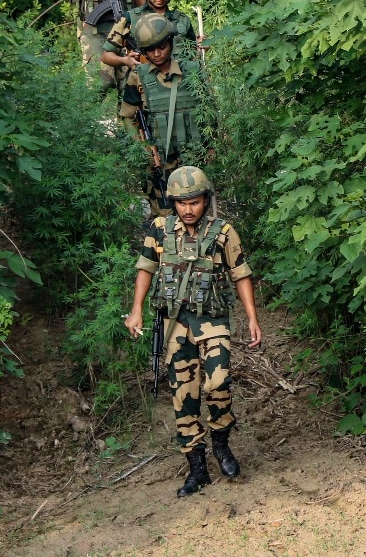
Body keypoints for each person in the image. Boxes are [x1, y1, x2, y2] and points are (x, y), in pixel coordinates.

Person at [124, 166, 263, 498]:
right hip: (175, 323)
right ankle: (197, 468)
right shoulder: (158, 230)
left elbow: (240, 273)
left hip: (212, 320)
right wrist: (137, 309)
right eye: (182, 203)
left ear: (205, 201)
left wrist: (252, 318)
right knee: (183, 395)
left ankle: (221, 443)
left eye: (195, 202)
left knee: (218, 380)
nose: (188, 209)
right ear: (173, 203)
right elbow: (146, 268)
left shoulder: (223, 232)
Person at [121, 12, 209, 216]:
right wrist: (145, 149)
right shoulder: (138, 77)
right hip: (160, 161)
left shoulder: (192, 70)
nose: (158, 54)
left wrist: (210, 147)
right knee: (164, 219)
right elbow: (127, 116)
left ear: (171, 43)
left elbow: (207, 111)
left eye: (162, 46)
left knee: (196, 214)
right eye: (150, 50)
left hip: (193, 157)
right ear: (143, 51)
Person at [100, 0, 198, 87]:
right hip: (139, 88)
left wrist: (201, 47)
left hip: (178, 85)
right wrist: (125, 60)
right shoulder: (130, 19)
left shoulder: (181, 20)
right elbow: (106, 55)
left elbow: (193, 55)